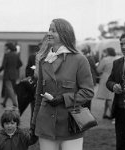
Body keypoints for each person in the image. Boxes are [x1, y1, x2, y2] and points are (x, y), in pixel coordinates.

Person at [31, 18, 94, 150]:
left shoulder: (80, 60)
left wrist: (63, 99)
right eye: (49, 29)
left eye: (53, 30)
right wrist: (34, 122)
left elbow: (88, 92)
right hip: (45, 125)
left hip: (70, 126)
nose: (49, 33)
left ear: (64, 34)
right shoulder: (44, 60)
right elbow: (38, 96)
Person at [96, 48, 118, 120]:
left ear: (107, 52)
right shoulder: (117, 58)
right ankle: (105, 114)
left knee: (108, 98)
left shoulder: (105, 59)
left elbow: (98, 70)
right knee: (109, 97)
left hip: (106, 78)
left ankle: (114, 116)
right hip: (115, 78)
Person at [0, 42, 22, 108]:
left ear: (8, 47)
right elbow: (20, 64)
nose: (4, 48)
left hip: (7, 75)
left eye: (5, 46)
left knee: (9, 89)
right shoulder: (16, 54)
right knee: (8, 89)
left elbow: (3, 66)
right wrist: (15, 68)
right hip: (14, 74)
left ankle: (15, 103)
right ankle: (4, 103)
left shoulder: (6, 55)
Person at [81, 45, 98, 110]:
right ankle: (87, 110)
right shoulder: (90, 58)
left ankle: (85, 110)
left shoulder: (83, 58)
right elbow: (94, 67)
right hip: (90, 78)